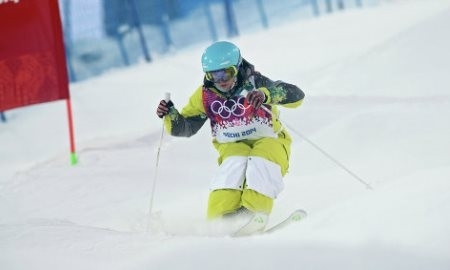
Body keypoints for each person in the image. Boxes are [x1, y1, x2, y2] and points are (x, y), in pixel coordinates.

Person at [156, 41, 305, 230]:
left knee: (262, 162)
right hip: (232, 145)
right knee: (231, 170)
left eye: (227, 72)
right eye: (214, 75)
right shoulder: (204, 96)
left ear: (238, 67)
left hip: (270, 141)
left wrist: (266, 94)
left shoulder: (255, 83)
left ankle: (252, 212)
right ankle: (220, 221)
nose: (221, 80)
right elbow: (184, 128)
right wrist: (171, 115)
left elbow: (297, 95)